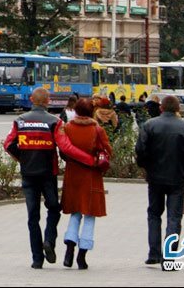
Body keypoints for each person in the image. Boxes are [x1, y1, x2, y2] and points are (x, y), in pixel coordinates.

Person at [3, 87, 98, 269]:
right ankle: (49, 241)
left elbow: (8, 144)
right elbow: (66, 147)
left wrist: (23, 159)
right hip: (48, 173)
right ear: (48, 101)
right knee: (54, 208)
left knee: (32, 217)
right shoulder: (54, 122)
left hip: (28, 174)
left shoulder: (20, 121)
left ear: (31, 99)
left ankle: (37, 259)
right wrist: (89, 160)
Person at [135, 94, 184, 270]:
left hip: (155, 178)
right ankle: (169, 258)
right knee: (174, 218)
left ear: (161, 108)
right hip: (177, 178)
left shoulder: (149, 125)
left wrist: (146, 166)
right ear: (178, 109)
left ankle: (153, 254)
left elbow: (140, 150)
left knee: (154, 214)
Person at [57, 98, 112, 270]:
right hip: (92, 175)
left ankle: (69, 248)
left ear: (76, 111)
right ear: (91, 111)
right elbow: (108, 151)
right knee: (89, 214)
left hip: (73, 175)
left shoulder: (68, 128)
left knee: (75, 212)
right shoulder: (97, 129)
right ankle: (82, 255)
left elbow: (64, 152)